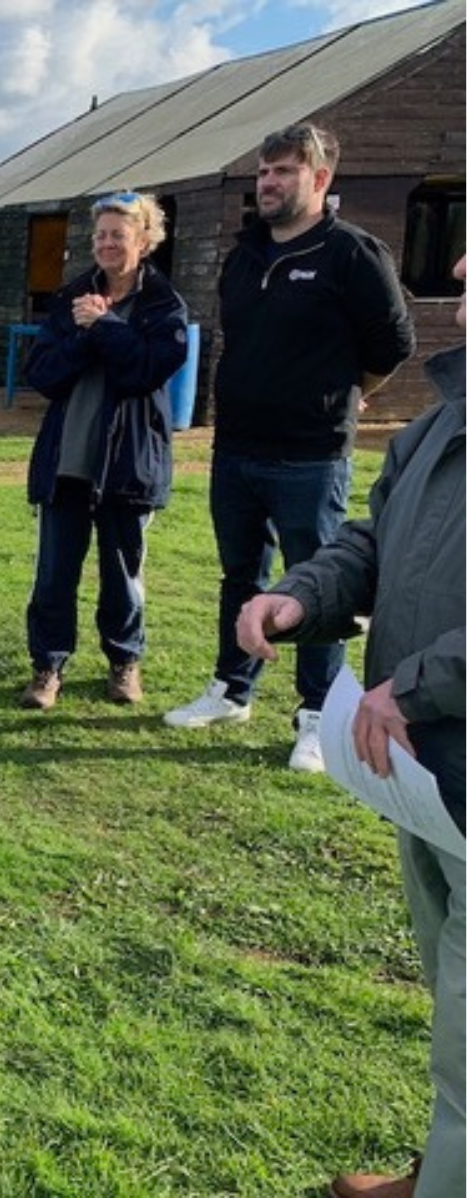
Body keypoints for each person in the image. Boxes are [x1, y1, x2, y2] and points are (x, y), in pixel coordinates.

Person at [236, 253, 464, 1200]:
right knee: (450, 999)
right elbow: (372, 540)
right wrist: (300, 597)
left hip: (430, 731)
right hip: (428, 771)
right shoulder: (438, 417)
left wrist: (418, 683)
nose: (457, 266)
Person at [165, 123, 415, 772]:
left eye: (284, 171)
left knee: (316, 587)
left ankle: (314, 717)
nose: (269, 182)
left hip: (311, 454)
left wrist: (352, 395)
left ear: (321, 179)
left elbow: (391, 347)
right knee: (240, 576)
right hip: (236, 449)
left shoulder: (353, 254)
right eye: (263, 172)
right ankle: (231, 688)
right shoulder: (245, 254)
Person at [18, 191, 190, 710]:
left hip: (128, 463)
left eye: (118, 234)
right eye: (100, 236)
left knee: (123, 575)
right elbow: (42, 373)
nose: (107, 244)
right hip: (66, 461)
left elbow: (144, 370)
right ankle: (47, 667)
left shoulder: (165, 306)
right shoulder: (71, 296)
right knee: (54, 575)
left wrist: (107, 326)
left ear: (144, 240)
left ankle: (124, 662)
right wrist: (87, 334)